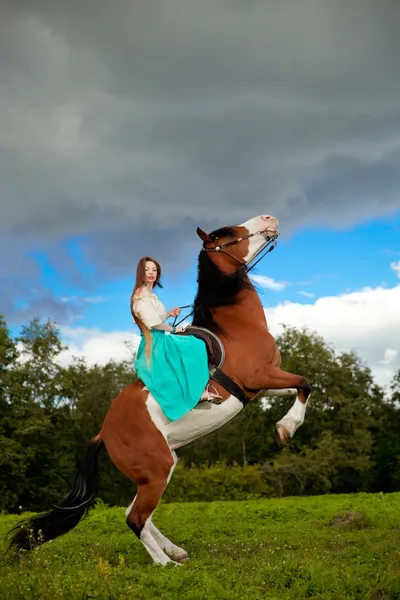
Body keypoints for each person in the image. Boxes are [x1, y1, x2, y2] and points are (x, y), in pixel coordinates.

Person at [130, 256, 222, 421]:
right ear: (140, 273)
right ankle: (199, 392)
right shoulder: (141, 296)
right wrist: (174, 329)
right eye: (147, 270)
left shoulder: (151, 296)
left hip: (159, 337)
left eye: (154, 270)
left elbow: (155, 319)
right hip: (155, 342)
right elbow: (153, 324)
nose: (151, 273)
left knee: (193, 344)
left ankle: (200, 386)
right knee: (195, 346)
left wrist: (169, 314)